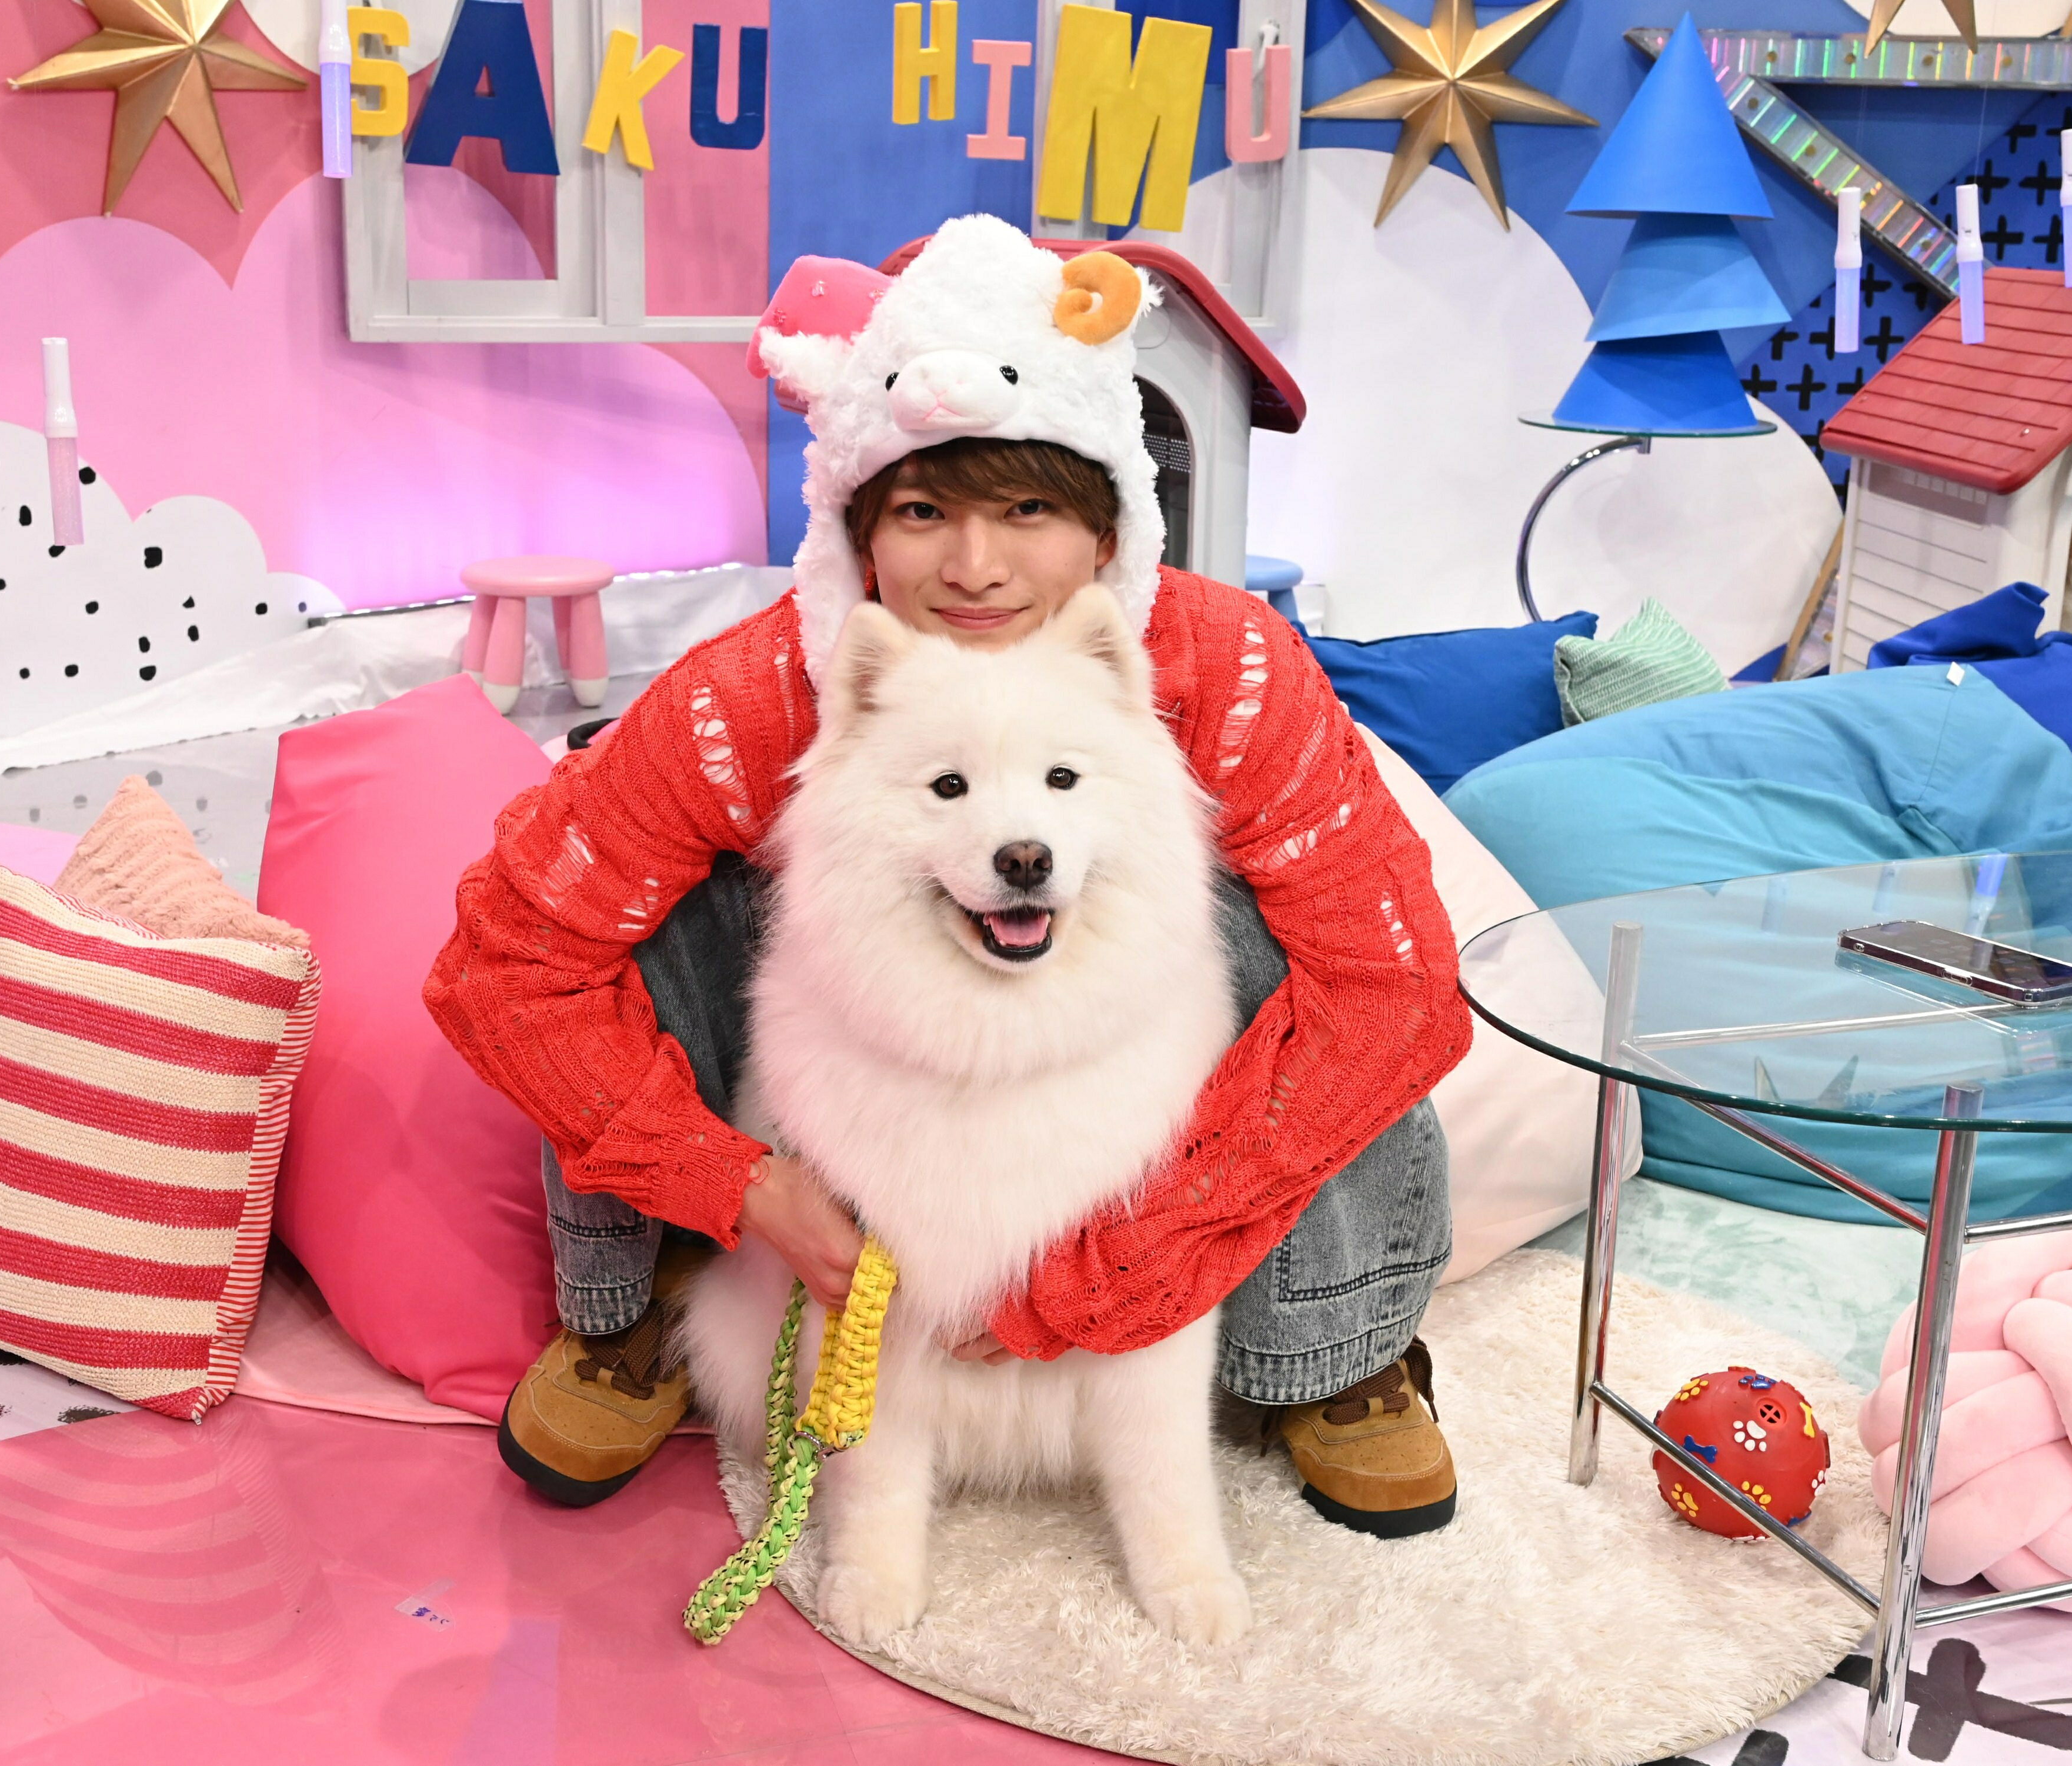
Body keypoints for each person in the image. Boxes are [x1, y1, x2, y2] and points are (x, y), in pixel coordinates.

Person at [425, 216, 1473, 1538]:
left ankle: (1331, 1338)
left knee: (1291, 934)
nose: (975, 568)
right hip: (854, 1049)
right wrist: (731, 1183)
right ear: (864, 527)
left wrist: (1141, 1251)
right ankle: (642, 1298)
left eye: (1028, 510)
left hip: (1116, 1057)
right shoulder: (751, 695)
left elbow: (1396, 989)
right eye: (924, 513)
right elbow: (508, 964)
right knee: (647, 910)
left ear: (1108, 527)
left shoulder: (1227, 667)